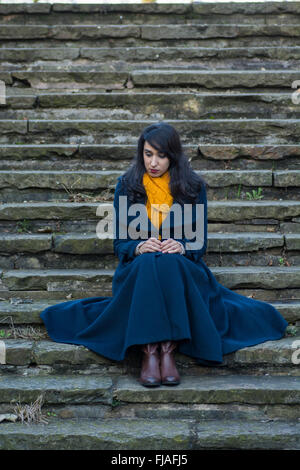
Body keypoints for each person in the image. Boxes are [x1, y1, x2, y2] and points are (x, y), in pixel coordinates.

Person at [40, 122, 288, 388]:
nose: (153, 162)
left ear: (173, 155)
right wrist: (137, 247)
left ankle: (166, 351)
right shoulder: (127, 185)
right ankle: (151, 352)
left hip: (184, 268)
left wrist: (182, 246)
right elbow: (120, 243)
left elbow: (199, 242)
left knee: (168, 260)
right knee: (148, 260)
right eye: (148, 154)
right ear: (141, 153)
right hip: (137, 270)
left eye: (161, 155)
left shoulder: (193, 187)